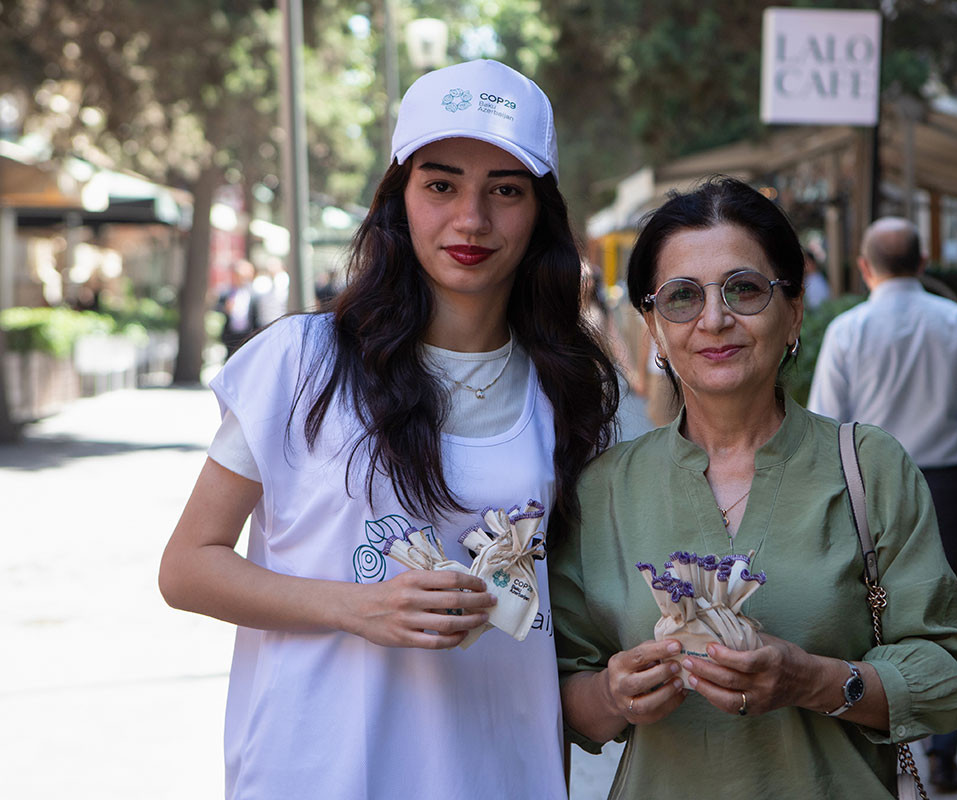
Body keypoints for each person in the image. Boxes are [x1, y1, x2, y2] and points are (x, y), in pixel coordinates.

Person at [159, 59, 619, 800]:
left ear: (540, 212)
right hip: (317, 770)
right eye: (441, 185)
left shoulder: (569, 389)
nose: (471, 218)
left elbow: (562, 622)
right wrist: (354, 606)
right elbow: (187, 566)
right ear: (398, 198)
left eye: (505, 190)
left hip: (500, 773)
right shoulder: (301, 363)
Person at [550, 178, 957, 798]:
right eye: (680, 297)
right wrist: (613, 694)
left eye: (745, 289)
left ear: (794, 311)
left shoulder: (868, 469)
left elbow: (953, 676)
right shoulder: (605, 492)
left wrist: (811, 680)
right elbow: (557, 697)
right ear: (652, 326)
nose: (714, 318)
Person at [807, 216, 957, 792]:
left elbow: (825, 419)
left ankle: (883, 732)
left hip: (863, 484)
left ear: (865, 268)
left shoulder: (847, 329)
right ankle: (944, 749)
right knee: (944, 607)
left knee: (866, 602)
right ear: (923, 264)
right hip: (944, 482)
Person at [218, 259, 261, 359]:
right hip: (231, 336)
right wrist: (225, 309)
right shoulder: (227, 293)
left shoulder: (255, 294)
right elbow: (217, 308)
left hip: (248, 336)